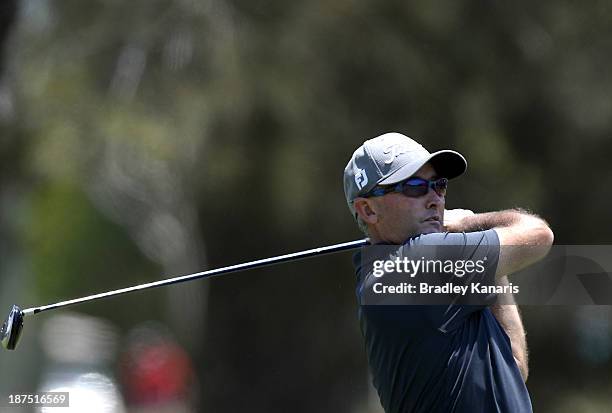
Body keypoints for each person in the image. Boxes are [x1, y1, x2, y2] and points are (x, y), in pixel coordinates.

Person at [343, 132, 553, 413]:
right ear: (368, 209)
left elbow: (515, 364)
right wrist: (471, 223)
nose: (435, 199)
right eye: (415, 187)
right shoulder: (414, 265)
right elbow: (539, 234)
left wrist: (486, 260)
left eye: (438, 186)